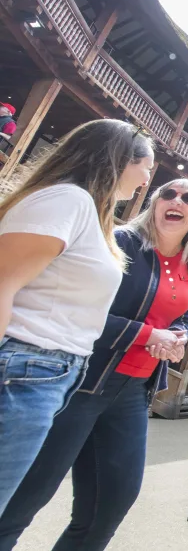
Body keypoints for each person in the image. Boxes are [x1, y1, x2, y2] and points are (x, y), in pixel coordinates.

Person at [0, 179, 188, 550]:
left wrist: (177, 337)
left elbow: (184, 315)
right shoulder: (120, 242)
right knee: (26, 497)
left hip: (133, 391)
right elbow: (79, 308)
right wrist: (147, 336)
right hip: (82, 382)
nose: (176, 200)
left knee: (109, 506)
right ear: (155, 202)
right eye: (167, 193)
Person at [0, 119, 154, 516]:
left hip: (48, 372)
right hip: (26, 368)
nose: (146, 180)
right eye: (147, 166)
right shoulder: (68, 200)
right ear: (121, 158)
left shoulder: (89, 212)